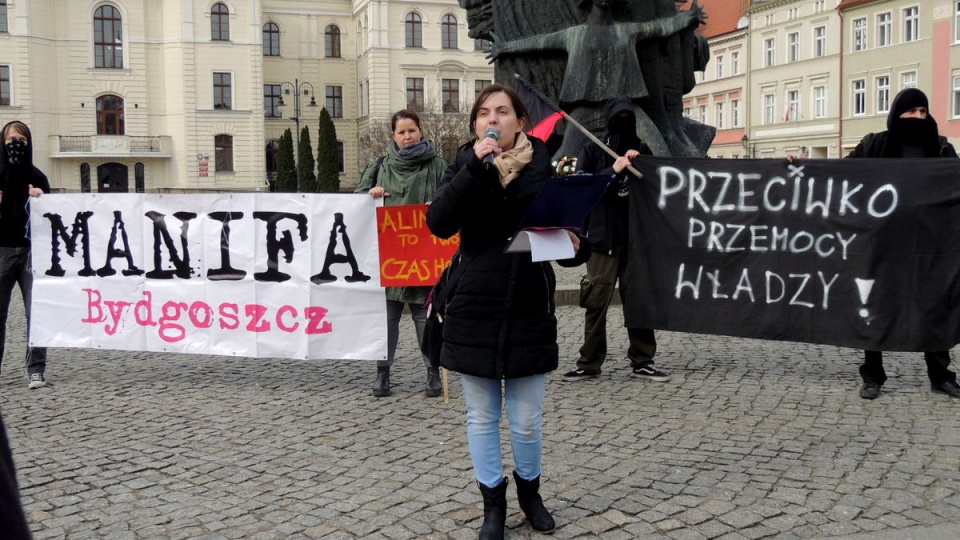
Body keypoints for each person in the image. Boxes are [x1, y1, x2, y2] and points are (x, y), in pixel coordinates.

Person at [426, 84, 588, 539]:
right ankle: (492, 506)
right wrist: (475, 170)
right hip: (474, 303)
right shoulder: (464, 165)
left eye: (502, 110)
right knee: (481, 416)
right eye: (483, 112)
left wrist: (578, 242)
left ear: (520, 121)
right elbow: (439, 223)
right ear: (475, 124)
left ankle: (530, 495)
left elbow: (571, 244)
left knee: (527, 419)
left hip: (527, 305)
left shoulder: (546, 168)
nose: (492, 118)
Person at [846, 88, 960, 400]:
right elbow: (840, 175)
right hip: (882, 243)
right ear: (898, 112)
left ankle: (941, 376)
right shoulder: (875, 144)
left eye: (923, 112)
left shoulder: (939, 148)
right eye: (911, 112)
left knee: (932, 308)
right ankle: (873, 376)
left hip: (928, 246)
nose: (918, 117)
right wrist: (797, 167)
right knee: (875, 308)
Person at [563, 96, 669, 382]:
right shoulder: (592, 150)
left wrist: (641, 166)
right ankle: (589, 362)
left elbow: (660, 189)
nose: (624, 123)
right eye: (618, 117)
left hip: (635, 244)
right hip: (601, 241)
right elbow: (584, 189)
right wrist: (613, 170)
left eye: (628, 117)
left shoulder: (642, 150)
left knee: (638, 302)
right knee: (596, 302)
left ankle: (643, 359)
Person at [355, 110, 447, 398]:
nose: (407, 137)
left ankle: (433, 373)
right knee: (386, 319)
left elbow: (454, 198)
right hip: (388, 256)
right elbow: (355, 205)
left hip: (424, 256)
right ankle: (383, 373)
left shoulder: (438, 165)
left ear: (421, 131)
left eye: (412, 131)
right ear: (393, 136)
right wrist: (370, 195)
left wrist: (440, 204)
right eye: (401, 132)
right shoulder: (379, 166)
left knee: (425, 318)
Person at [0, 121, 50, 389]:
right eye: (10, 139)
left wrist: (40, 200)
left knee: (36, 313)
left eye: (21, 138)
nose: (15, 143)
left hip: (32, 252)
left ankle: (36, 369)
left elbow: (53, 218)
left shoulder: (38, 177)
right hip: (2, 250)